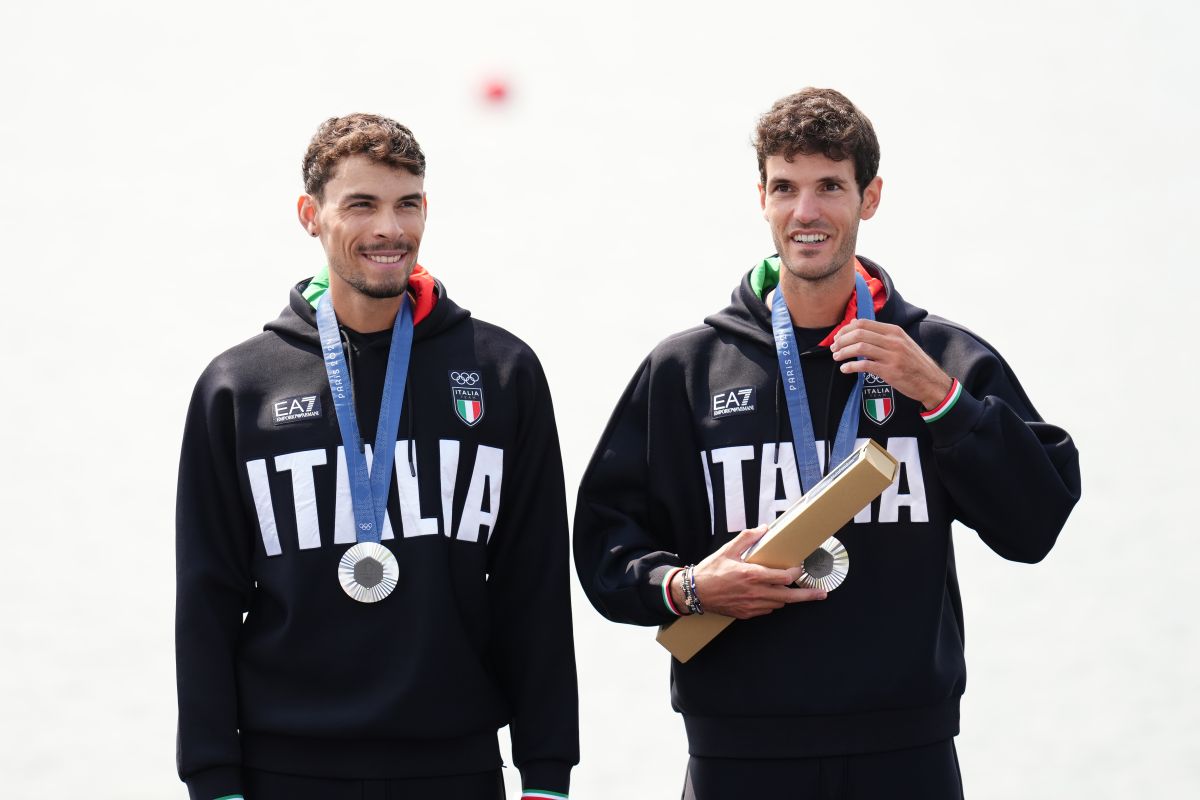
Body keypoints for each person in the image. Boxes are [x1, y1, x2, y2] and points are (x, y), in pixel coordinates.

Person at [573, 88, 1081, 798]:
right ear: (761, 198)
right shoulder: (687, 370)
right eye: (786, 187)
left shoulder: (940, 357)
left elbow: (1035, 524)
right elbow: (603, 545)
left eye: (830, 187)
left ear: (870, 197)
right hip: (738, 754)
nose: (805, 212)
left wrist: (942, 399)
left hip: (905, 751)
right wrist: (686, 589)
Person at [175, 114, 578, 800]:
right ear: (311, 215)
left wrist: (547, 775)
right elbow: (206, 599)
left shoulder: (503, 371)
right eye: (361, 205)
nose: (390, 229)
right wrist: (213, 779)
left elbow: (533, 586)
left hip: (455, 768)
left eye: (407, 204)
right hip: (283, 770)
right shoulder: (239, 387)